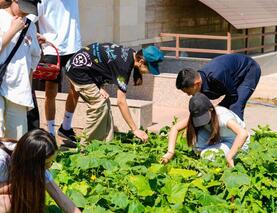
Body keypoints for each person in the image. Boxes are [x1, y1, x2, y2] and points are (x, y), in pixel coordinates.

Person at [65, 43, 164, 145]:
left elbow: (102, 62)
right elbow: (121, 102)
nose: (149, 72)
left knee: (105, 102)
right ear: (141, 61)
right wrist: (135, 129)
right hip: (78, 71)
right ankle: (85, 147)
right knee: (99, 105)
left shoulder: (129, 54)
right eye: (149, 68)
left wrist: (98, 86)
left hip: (78, 66)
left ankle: (105, 143)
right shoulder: (124, 67)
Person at [0, 129, 81, 213]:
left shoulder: (31, 161)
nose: (49, 166)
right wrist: (13, 186)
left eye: (51, 161)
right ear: (32, 161)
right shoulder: (2, 160)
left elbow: (59, 196)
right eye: (47, 163)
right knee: (10, 202)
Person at [161, 92, 249, 167]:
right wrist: (170, 152)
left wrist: (230, 156)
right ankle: (214, 157)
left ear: (211, 109)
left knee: (207, 155)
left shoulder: (223, 117)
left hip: (237, 142)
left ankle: (217, 160)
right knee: (196, 144)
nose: (201, 121)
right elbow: (175, 128)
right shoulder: (198, 112)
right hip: (220, 137)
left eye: (203, 117)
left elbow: (243, 134)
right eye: (198, 118)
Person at [36, 0, 82, 141]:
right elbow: (29, 16)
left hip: (74, 46)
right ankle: (50, 132)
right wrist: (35, 34)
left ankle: (66, 127)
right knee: (51, 93)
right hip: (51, 48)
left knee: (77, 89)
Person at [176, 54, 261, 120]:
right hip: (232, 78)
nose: (188, 95)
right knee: (215, 110)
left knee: (235, 106)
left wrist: (219, 108)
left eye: (188, 92)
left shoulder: (217, 75)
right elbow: (201, 108)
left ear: (196, 84)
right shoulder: (200, 81)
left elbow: (233, 96)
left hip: (248, 71)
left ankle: (240, 137)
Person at [0, 0, 41, 139]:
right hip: (1, 84)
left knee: (16, 140)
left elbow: (35, 55)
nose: (25, 12)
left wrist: (28, 83)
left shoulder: (30, 25)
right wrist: (12, 30)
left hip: (18, 90)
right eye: (23, 8)